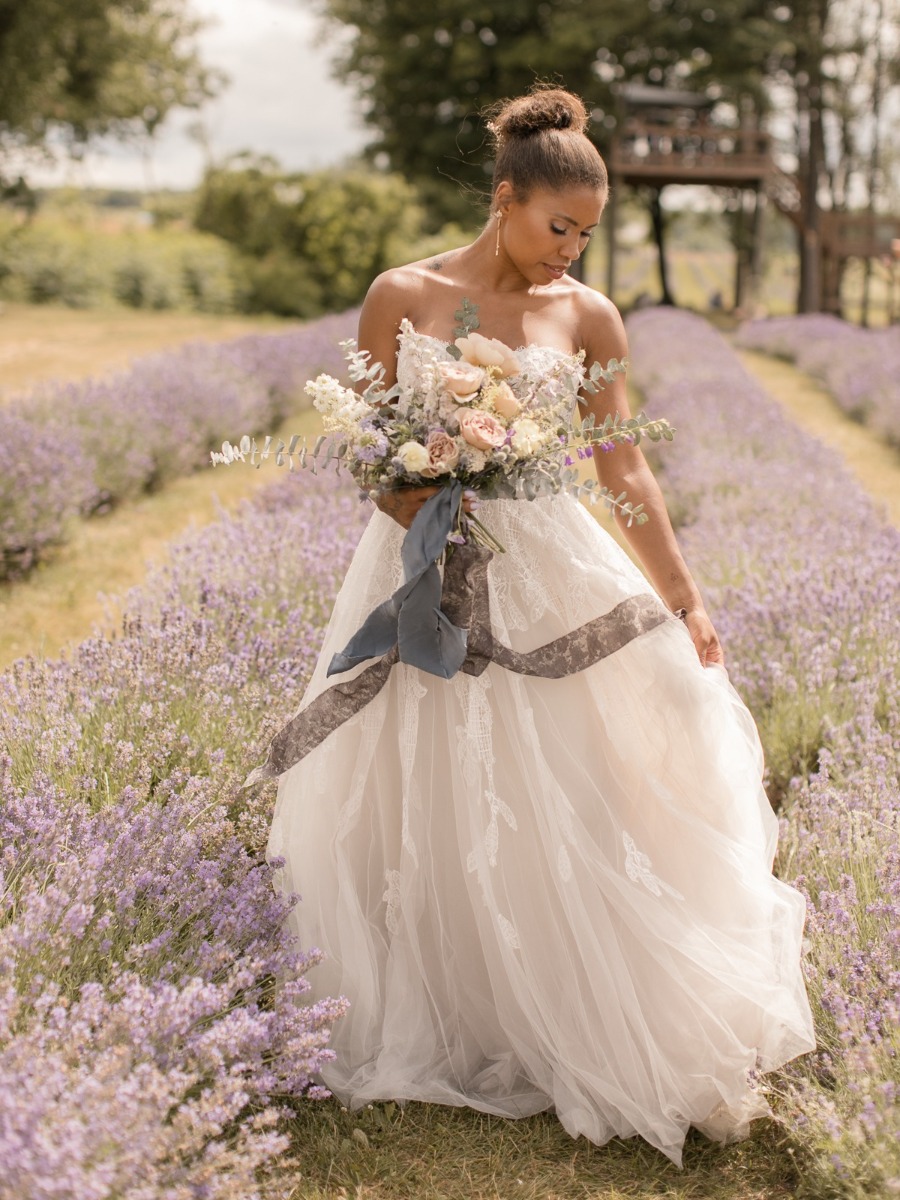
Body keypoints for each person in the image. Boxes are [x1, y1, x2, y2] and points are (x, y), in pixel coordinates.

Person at [266, 87, 815, 1166]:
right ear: (506, 198)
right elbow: (368, 452)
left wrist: (686, 597)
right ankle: (447, 1002)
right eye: (557, 224)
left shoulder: (590, 318)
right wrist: (427, 482)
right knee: (416, 777)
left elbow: (624, 466)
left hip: (552, 561)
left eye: (586, 233)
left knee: (601, 760)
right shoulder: (400, 294)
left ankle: (584, 993)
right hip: (423, 561)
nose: (570, 249)